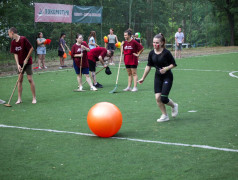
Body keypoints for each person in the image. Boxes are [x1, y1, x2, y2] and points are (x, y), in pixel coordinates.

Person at [138, 33, 178, 122]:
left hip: (167, 77)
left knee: (163, 98)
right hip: (158, 77)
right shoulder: (152, 53)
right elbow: (148, 66)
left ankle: (174, 105)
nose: (155, 44)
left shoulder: (166, 53)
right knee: (157, 98)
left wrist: (166, 68)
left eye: (157, 43)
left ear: (162, 43)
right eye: (153, 42)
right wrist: (143, 78)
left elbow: (174, 64)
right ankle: (165, 115)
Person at [8, 27, 36, 104]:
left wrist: (26, 58)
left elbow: (31, 48)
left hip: (27, 62)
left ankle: (34, 98)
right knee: (19, 80)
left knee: (30, 79)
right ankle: (19, 99)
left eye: (9, 33)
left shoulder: (23, 39)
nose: (9, 35)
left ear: (12, 33)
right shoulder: (13, 42)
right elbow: (15, 54)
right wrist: (17, 64)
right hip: (20, 63)